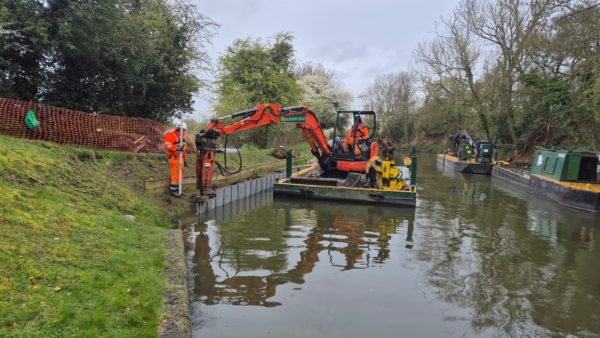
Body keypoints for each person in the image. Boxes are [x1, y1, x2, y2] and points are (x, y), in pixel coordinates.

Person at [163, 121, 188, 194]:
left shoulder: (182, 135)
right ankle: (173, 190)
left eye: (184, 130)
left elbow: (184, 149)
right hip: (174, 157)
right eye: (182, 130)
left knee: (181, 173)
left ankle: (178, 189)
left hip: (180, 157)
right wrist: (176, 148)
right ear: (178, 128)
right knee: (176, 173)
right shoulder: (171, 134)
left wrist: (185, 158)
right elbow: (167, 145)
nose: (183, 131)